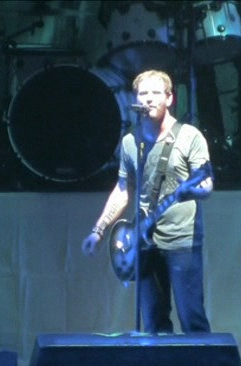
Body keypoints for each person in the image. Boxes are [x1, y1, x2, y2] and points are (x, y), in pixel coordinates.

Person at [81, 69, 213, 334]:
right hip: (142, 241)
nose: (149, 98)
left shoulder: (189, 136)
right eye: (143, 93)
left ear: (169, 98)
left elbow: (206, 183)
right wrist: (99, 230)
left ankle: (201, 362)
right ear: (135, 99)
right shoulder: (131, 142)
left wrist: (192, 192)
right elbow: (123, 189)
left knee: (192, 318)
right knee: (153, 322)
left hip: (181, 240)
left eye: (155, 93)